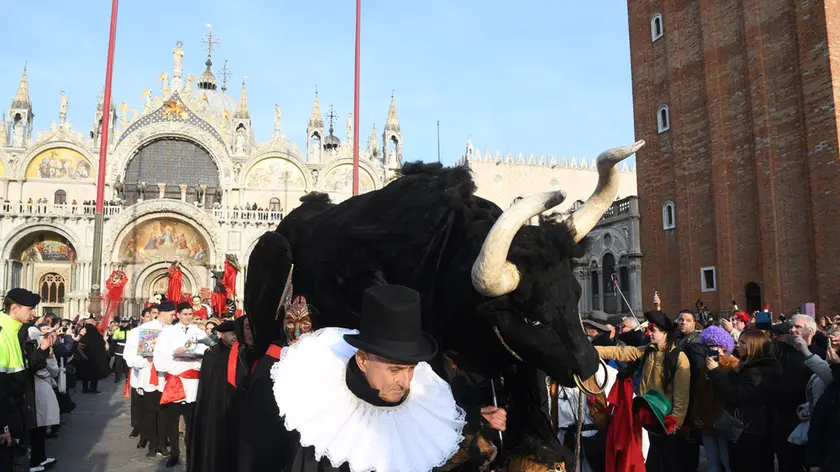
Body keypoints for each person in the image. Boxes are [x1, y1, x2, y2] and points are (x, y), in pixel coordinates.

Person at [271, 284, 482, 472]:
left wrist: (475, 432)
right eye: (395, 370)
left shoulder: (422, 405)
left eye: (411, 369)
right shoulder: (319, 420)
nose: (406, 382)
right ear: (363, 361)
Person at [595, 310, 691, 472]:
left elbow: (682, 394)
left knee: (669, 465)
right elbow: (621, 352)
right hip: (647, 420)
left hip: (666, 423)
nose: (649, 333)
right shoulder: (647, 350)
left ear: (664, 333)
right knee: (651, 464)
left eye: (653, 330)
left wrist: (675, 422)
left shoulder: (679, 357)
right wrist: (592, 351)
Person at [706, 330, 781, 472]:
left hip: (751, 430)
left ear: (754, 346)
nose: (737, 345)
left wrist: (716, 372)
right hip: (743, 428)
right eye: (738, 341)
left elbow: (736, 395)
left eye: (742, 343)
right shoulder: (747, 365)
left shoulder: (759, 371)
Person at [0, 289, 53, 472]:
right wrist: (2, 426)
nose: (33, 313)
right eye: (30, 309)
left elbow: (26, 368)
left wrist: (42, 350)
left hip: (18, 412)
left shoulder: (17, 332)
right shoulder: (2, 334)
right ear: (14, 308)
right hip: (7, 415)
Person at [153, 302, 208, 468]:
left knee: (191, 420)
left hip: (193, 382)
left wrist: (196, 357)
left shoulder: (199, 332)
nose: (188, 317)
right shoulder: (168, 333)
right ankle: (175, 453)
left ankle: (192, 451)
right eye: (185, 314)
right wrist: (175, 355)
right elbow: (160, 355)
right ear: (178, 315)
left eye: (190, 314)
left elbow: (206, 351)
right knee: (173, 420)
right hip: (176, 381)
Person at [123, 301, 174, 457]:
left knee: (165, 412)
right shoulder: (142, 330)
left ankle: (162, 443)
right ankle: (152, 444)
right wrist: (146, 360)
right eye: (172, 314)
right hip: (149, 375)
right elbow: (129, 355)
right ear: (163, 313)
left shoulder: (173, 331)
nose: (174, 317)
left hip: (168, 378)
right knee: (150, 411)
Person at [691, 325, 738, 472]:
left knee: (727, 460)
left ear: (724, 346)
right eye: (708, 346)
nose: (710, 349)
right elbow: (699, 392)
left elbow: (729, 393)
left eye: (714, 346)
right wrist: (696, 415)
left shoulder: (733, 364)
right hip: (705, 420)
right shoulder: (706, 365)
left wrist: (716, 370)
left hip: (722, 420)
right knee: (712, 461)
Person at [76, 314, 107, 394]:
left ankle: (88, 388)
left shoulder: (92, 330)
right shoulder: (85, 330)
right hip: (91, 356)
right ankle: (91, 388)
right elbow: (80, 344)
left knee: (88, 373)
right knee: (90, 373)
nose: (94, 321)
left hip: (90, 356)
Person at [111, 318, 130, 383]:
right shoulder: (117, 331)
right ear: (121, 323)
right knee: (117, 366)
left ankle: (128, 378)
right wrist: (112, 351)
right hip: (119, 351)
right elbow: (113, 342)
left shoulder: (131, 331)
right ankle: (117, 378)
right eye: (123, 322)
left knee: (127, 366)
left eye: (126, 322)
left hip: (127, 351)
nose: (124, 323)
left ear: (128, 323)